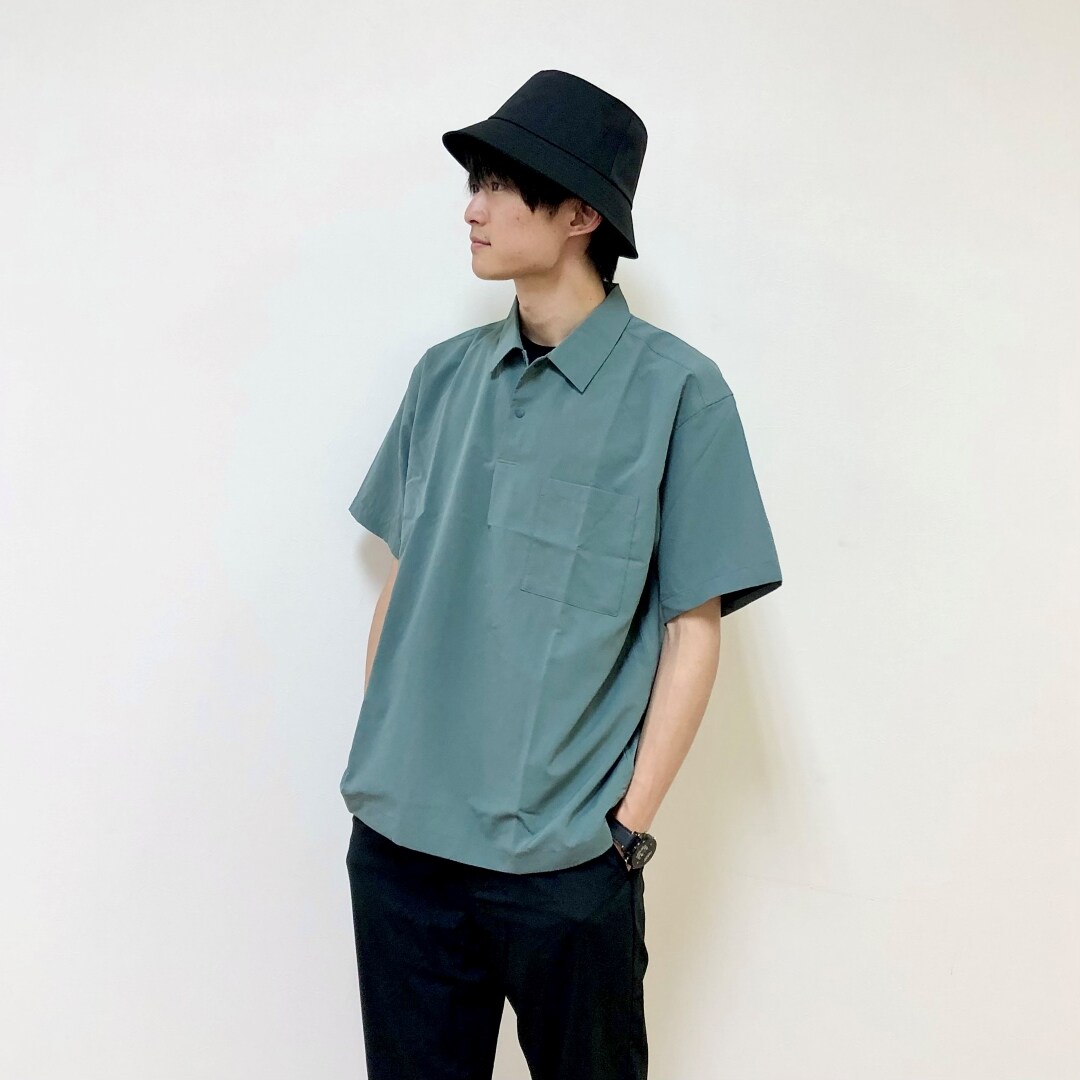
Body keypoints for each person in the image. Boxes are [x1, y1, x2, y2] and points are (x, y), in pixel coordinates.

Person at [341, 69, 783, 1080]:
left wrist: (627, 834)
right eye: (475, 184)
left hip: (564, 866)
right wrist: (384, 758)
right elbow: (406, 581)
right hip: (402, 851)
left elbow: (693, 625)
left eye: (501, 185)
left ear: (582, 215)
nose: (473, 208)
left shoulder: (680, 392)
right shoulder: (443, 377)